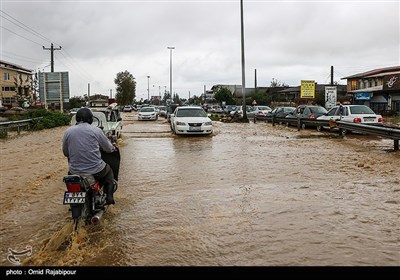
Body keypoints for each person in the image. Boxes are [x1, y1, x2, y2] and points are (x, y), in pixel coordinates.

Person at [62, 107, 117, 205]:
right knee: (109, 172)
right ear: (90, 119)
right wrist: (113, 148)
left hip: (74, 171)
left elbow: (66, 152)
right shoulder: (96, 130)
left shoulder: (68, 131)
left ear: (77, 119)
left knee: (71, 178)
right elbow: (108, 148)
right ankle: (109, 197)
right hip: (96, 171)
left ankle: (75, 203)